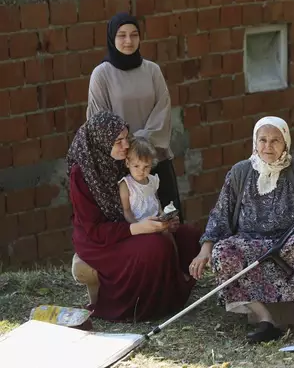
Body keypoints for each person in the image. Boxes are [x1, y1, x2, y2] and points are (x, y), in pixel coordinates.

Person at [189, 116, 294, 343]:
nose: (268, 146)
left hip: (289, 242)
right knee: (223, 252)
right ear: (254, 142)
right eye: (262, 140)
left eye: (275, 141)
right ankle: (265, 320)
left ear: (286, 143)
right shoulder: (239, 173)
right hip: (250, 245)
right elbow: (219, 216)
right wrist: (205, 249)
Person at [68, 111, 200, 321]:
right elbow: (93, 228)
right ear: (101, 141)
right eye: (118, 141)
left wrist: (164, 220)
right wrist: (138, 228)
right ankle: (142, 307)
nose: (125, 146)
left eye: (125, 139)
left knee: (189, 235)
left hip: (137, 221)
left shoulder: (124, 160)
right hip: (101, 239)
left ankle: (171, 296)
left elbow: (145, 198)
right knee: (156, 247)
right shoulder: (82, 173)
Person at [86, 12, 182, 222]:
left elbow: (162, 110)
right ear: (112, 38)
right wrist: (128, 148)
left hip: (155, 159)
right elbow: (98, 122)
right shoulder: (101, 75)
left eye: (134, 34)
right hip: (123, 162)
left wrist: (141, 144)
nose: (128, 41)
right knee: (133, 227)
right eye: (121, 35)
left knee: (170, 221)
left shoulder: (152, 70)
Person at [118, 136, 180, 258]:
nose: (141, 171)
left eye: (146, 166)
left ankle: (175, 267)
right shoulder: (126, 184)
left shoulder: (152, 180)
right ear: (127, 163)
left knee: (169, 237)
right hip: (139, 225)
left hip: (156, 221)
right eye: (136, 166)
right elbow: (126, 211)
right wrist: (139, 226)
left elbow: (156, 201)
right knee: (155, 245)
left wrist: (164, 216)